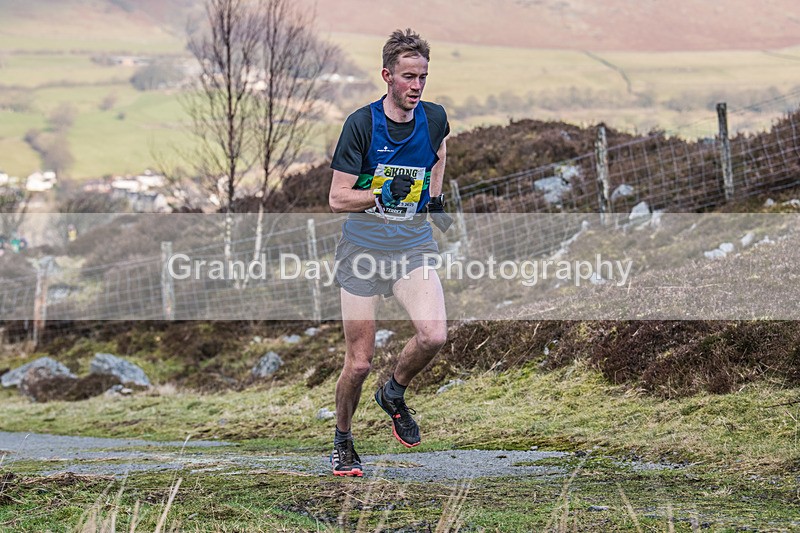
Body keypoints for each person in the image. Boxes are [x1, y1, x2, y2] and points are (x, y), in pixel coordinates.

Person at [327, 28, 452, 477]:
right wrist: (380, 190)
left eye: (422, 76)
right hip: (361, 250)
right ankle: (343, 439)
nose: (416, 86)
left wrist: (433, 200)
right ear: (387, 76)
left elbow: (439, 149)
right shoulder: (362, 125)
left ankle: (394, 392)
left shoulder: (434, 117)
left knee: (434, 335)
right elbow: (338, 198)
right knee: (359, 363)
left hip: (412, 247)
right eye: (407, 77)